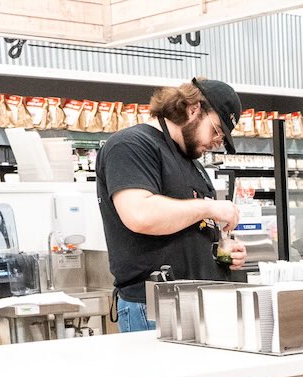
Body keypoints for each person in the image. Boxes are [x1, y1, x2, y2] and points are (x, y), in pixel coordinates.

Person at [96, 77, 247, 332]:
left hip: (197, 304)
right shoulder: (130, 146)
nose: (216, 142)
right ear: (193, 109)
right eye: (217, 131)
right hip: (153, 308)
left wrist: (223, 250)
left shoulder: (191, 162)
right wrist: (209, 207)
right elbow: (140, 215)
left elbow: (191, 226)